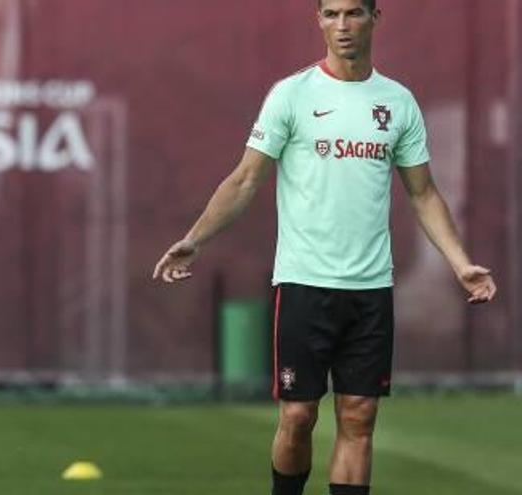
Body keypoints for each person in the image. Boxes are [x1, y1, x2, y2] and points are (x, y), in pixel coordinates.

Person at [151, 1, 496, 494]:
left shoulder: (398, 103)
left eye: (353, 13)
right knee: (298, 415)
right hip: (303, 285)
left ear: (375, 18)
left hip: (370, 290)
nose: (342, 26)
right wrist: (194, 240)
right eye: (331, 14)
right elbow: (246, 178)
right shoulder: (292, 95)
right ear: (319, 20)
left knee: (359, 417)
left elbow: (423, 192)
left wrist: (460, 263)